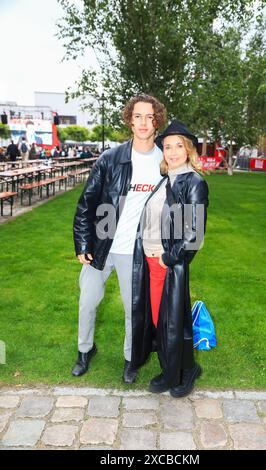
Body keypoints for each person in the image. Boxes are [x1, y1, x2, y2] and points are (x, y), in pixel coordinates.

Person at [72, 94, 167, 383]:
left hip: (136, 251)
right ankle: (85, 350)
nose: (143, 122)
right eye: (137, 116)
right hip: (102, 242)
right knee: (88, 302)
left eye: (149, 116)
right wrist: (83, 244)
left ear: (157, 121)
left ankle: (130, 358)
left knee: (133, 309)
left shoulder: (166, 160)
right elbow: (86, 203)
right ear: (129, 119)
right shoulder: (111, 158)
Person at [130, 120, 209, 398]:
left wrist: (168, 258)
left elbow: (194, 235)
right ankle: (175, 368)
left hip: (168, 263)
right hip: (150, 261)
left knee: (172, 322)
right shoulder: (165, 180)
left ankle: (182, 372)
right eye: (167, 146)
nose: (172, 152)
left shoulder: (194, 183)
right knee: (160, 320)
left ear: (188, 149)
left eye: (178, 146)